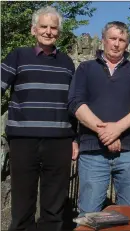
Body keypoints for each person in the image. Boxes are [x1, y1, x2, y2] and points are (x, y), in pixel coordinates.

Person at [1, 6, 77, 231]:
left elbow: (73, 105)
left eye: (53, 27)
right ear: (34, 30)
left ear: (59, 33)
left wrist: (75, 139)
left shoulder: (67, 63)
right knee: (22, 204)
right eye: (43, 26)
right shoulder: (18, 56)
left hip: (59, 140)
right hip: (23, 139)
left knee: (54, 208)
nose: (48, 31)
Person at [67, 21, 130, 217]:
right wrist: (105, 133)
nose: (116, 44)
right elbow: (76, 103)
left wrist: (117, 129)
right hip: (93, 152)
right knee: (89, 214)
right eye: (112, 38)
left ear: (127, 44)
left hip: (128, 151)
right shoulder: (85, 68)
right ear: (103, 40)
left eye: (122, 40)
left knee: (128, 214)